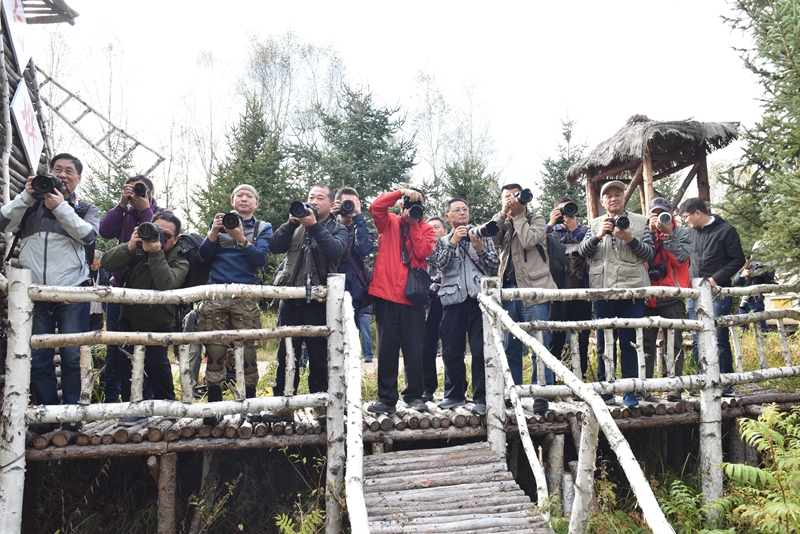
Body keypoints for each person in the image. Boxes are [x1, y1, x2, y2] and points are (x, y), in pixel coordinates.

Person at [0, 153, 99, 431]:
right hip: (35, 292)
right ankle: (45, 417)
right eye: (58, 169)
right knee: (39, 357)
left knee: (71, 356)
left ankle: (71, 417)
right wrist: (27, 197)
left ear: (78, 179)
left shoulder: (85, 208)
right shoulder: (30, 206)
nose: (63, 175)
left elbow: (89, 236)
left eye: (70, 171)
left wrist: (61, 208)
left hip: (72, 292)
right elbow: (2, 223)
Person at [196, 184, 272, 423]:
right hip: (216, 293)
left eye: (250, 195)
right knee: (215, 351)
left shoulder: (262, 227)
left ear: (256, 203)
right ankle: (214, 406)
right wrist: (213, 233)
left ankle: (250, 404)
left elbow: (261, 259)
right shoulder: (219, 224)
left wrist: (241, 239)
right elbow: (203, 256)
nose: (244, 198)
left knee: (248, 350)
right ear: (232, 200)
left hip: (245, 295)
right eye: (240, 195)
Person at [270, 184, 348, 411]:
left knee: (319, 356)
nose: (314, 200)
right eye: (311, 196)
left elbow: (336, 251)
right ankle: (282, 407)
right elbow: (274, 247)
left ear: (331, 203)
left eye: (320, 197)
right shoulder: (295, 226)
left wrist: (313, 226)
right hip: (291, 298)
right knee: (286, 354)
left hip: (320, 301)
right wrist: (289, 223)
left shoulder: (338, 228)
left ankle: (321, 406)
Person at [578, 180, 654, 408]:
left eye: (618, 194)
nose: (614, 198)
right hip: (602, 292)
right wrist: (599, 235)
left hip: (632, 292)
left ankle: (629, 391)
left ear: (624, 198)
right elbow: (583, 252)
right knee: (604, 344)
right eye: (608, 195)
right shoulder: (594, 224)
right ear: (602, 202)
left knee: (630, 343)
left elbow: (649, 253)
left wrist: (630, 238)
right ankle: (606, 390)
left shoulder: (641, 222)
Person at [101, 212, 188, 405]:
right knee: (128, 363)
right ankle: (134, 407)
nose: (159, 236)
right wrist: (130, 245)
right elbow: (106, 263)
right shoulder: (137, 249)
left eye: (165, 234)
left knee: (157, 364)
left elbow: (168, 283)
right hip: (130, 318)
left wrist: (156, 252)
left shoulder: (180, 256)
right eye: (155, 229)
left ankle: (167, 406)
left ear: (176, 239)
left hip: (160, 321)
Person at [366, 188, 435, 415]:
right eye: (410, 202)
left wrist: (413, 224)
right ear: (400, 205)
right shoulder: (388, 222)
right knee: (386, 350)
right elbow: (375, 207)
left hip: (412, 298)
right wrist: (399, 193)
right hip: (387, 295)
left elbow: (423, 252)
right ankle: (386, 399)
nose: (414, 206)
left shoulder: (426, 228)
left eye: (419, 203)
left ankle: (414, 395)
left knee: (415, 349)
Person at [99, 175, 166, 403]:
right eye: (133, 189)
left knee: (144, 348)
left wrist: (146, 210)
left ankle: (143, 398)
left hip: (147, 291)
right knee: (115, 346)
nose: (138, 193)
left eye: (143, 190)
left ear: (152, 192)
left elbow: (162, 240)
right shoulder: (124, 212)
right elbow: (105, 231)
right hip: (120, 287)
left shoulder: (162, 215)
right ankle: (111, 397)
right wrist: (121, 205)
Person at [491, 183, 557, 414]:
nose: (511, 200)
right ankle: (513, 392)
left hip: (533, 289)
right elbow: (492, 237)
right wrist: (503, 215)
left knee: (539, 345)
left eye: (514, 196)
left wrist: (519, 216)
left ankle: (542, 395)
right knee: (511, 347)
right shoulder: (504, 222)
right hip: (507, 292)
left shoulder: (536, 218)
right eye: (506, 197)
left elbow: (530, 241)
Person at [434, 199, 500, 415]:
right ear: (448, 217)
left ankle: (482, 397)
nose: (462, 213)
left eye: (465, 209)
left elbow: (494, 266)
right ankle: (454, 395)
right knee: (451, 350)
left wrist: (479, 248)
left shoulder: (482, 235)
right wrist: (453, 241)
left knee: (481, 350)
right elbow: (440, 266)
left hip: (478, 299)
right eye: (456, 210)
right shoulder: (443, 241)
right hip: (453, 301)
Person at [678, 197, 745, 397]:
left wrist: (715, 280)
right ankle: (704, 380)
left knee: (718, 337)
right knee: (698, 339)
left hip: (718, 293)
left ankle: (725, 383)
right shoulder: (690, 234)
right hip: (695, 295)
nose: (686, 221)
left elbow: (738, 260)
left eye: (687, 217)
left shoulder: (726, 231)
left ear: (697, 213)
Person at [642, 197, 692, 401]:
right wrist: (650, 232)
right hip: (648, 297)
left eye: (663, 213)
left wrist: (668, 234)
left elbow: (680, 258)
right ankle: (645, 389)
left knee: (674, 344)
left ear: (671, 215)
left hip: (673, 296)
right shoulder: (644, 232)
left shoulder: (683, 233)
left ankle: (673, 389)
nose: (660, 217)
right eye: (655, 213)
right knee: (646, 345)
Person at [546, 196, 591, 378]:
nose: (567, 214)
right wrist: (550, 223)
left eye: (570, 209)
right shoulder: (549, 235)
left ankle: (579, 376)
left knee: (582, 337)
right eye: (562, 210)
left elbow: (590, 250)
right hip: (556, 293)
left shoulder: (585, 231)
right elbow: (536, 243)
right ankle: (551, 379)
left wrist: (576, 231)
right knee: (554, 337)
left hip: (581, 292)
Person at [332, 186, 374, 321]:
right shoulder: (329, 227)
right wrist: (330, 216)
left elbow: (363, 250)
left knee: (350, 336)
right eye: (346, 203)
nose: (349, 207)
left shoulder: (364, 230)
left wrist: (358, 218)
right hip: (328, 286)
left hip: (353, 291)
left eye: (353, 204)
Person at [422, 216, 448, 400]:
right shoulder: (421, 251)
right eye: (429, 228)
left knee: (451, 347)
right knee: (426, 347)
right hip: (427, 304)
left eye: (436, 227)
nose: (433, 230)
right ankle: (426, 389)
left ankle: (454, 389)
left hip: (447, 302)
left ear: (445, 231)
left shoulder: (451, 248)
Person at [733, 255, 774, 331]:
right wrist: (741, 276)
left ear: (748, 260)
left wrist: (749, 273)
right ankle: (741, 339)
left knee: (760, 322)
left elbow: (761, 273)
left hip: (756, 300)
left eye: (744, 261)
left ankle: (764, 337)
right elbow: (734, 282)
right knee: (741, 322)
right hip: (744, 301)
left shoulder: (757, 268)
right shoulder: (741, 270)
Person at [89, 250, 111, 331]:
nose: (95, 267)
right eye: (93, 264)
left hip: (99, 308)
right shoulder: (84, 271)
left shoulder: (105, 271)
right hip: (86, 308)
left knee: (97, 331)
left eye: (98, 264)